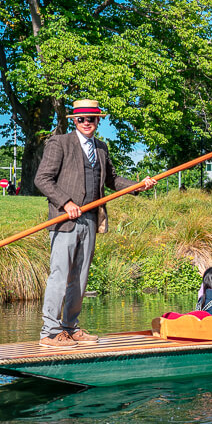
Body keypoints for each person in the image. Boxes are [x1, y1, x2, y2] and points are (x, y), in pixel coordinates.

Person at [34, 99, 157, 348]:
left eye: (91, 119)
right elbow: (42, 179)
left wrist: (138, 185)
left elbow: (111, 179)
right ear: (74, 121)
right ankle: (49, 332)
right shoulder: (60, 143)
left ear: (98, 121)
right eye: (81, 119)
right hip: (64, 220)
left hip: (90, 220)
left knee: (80, 278)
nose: (87, 123)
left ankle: (70, 327)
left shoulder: (100, 148)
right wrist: (66, 202)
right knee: (60, 275)